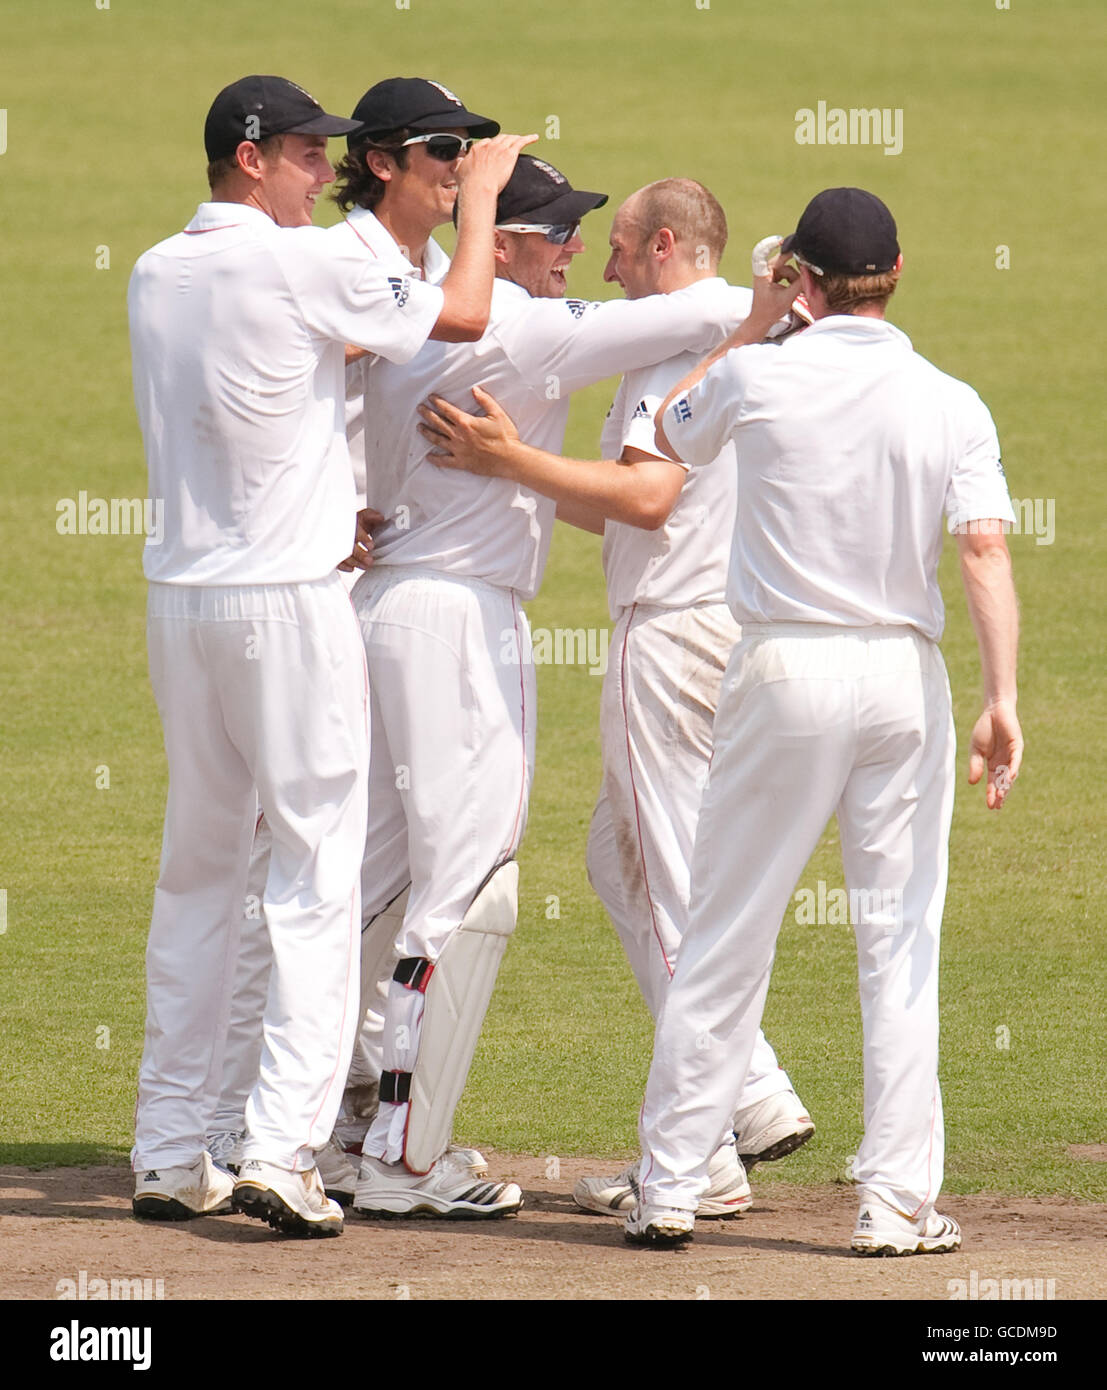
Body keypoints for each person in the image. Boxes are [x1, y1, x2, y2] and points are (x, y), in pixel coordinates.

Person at [127, 71, 532, 1237]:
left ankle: (168, 1149)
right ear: (249, 160)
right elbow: (456, 316)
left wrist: (320, 501)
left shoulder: (158, 268)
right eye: (308, 154)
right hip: (289, 607)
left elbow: (255, 402)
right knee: (316, 872)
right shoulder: (299, 260)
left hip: (183, 601)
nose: (328, 173)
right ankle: (285, 1150)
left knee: (201, 870)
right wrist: (483, 198)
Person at [345, 154, 758, 1219]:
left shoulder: (406, 321)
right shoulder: (523, 328)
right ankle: (404, 1151)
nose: (578, 254)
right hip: (460, 618)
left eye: (591, 235)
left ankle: (313, 1121)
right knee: (471, 882)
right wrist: (795, 297)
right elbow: (704, 309)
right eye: (559, 233)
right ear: (508, 241)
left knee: (364, 882)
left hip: (381, 609)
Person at [621, 187, 1021, 1250]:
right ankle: (894, 1204)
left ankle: (667, 1187)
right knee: (899, 943)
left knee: (724, 927)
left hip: (783, 666)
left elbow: (671, 430)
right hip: (904, 674)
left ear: (802, 273)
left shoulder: (758, 369)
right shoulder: (951, 398)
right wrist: (1003, 697)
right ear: (899, 270)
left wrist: (757, 322)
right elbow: (982, 550)